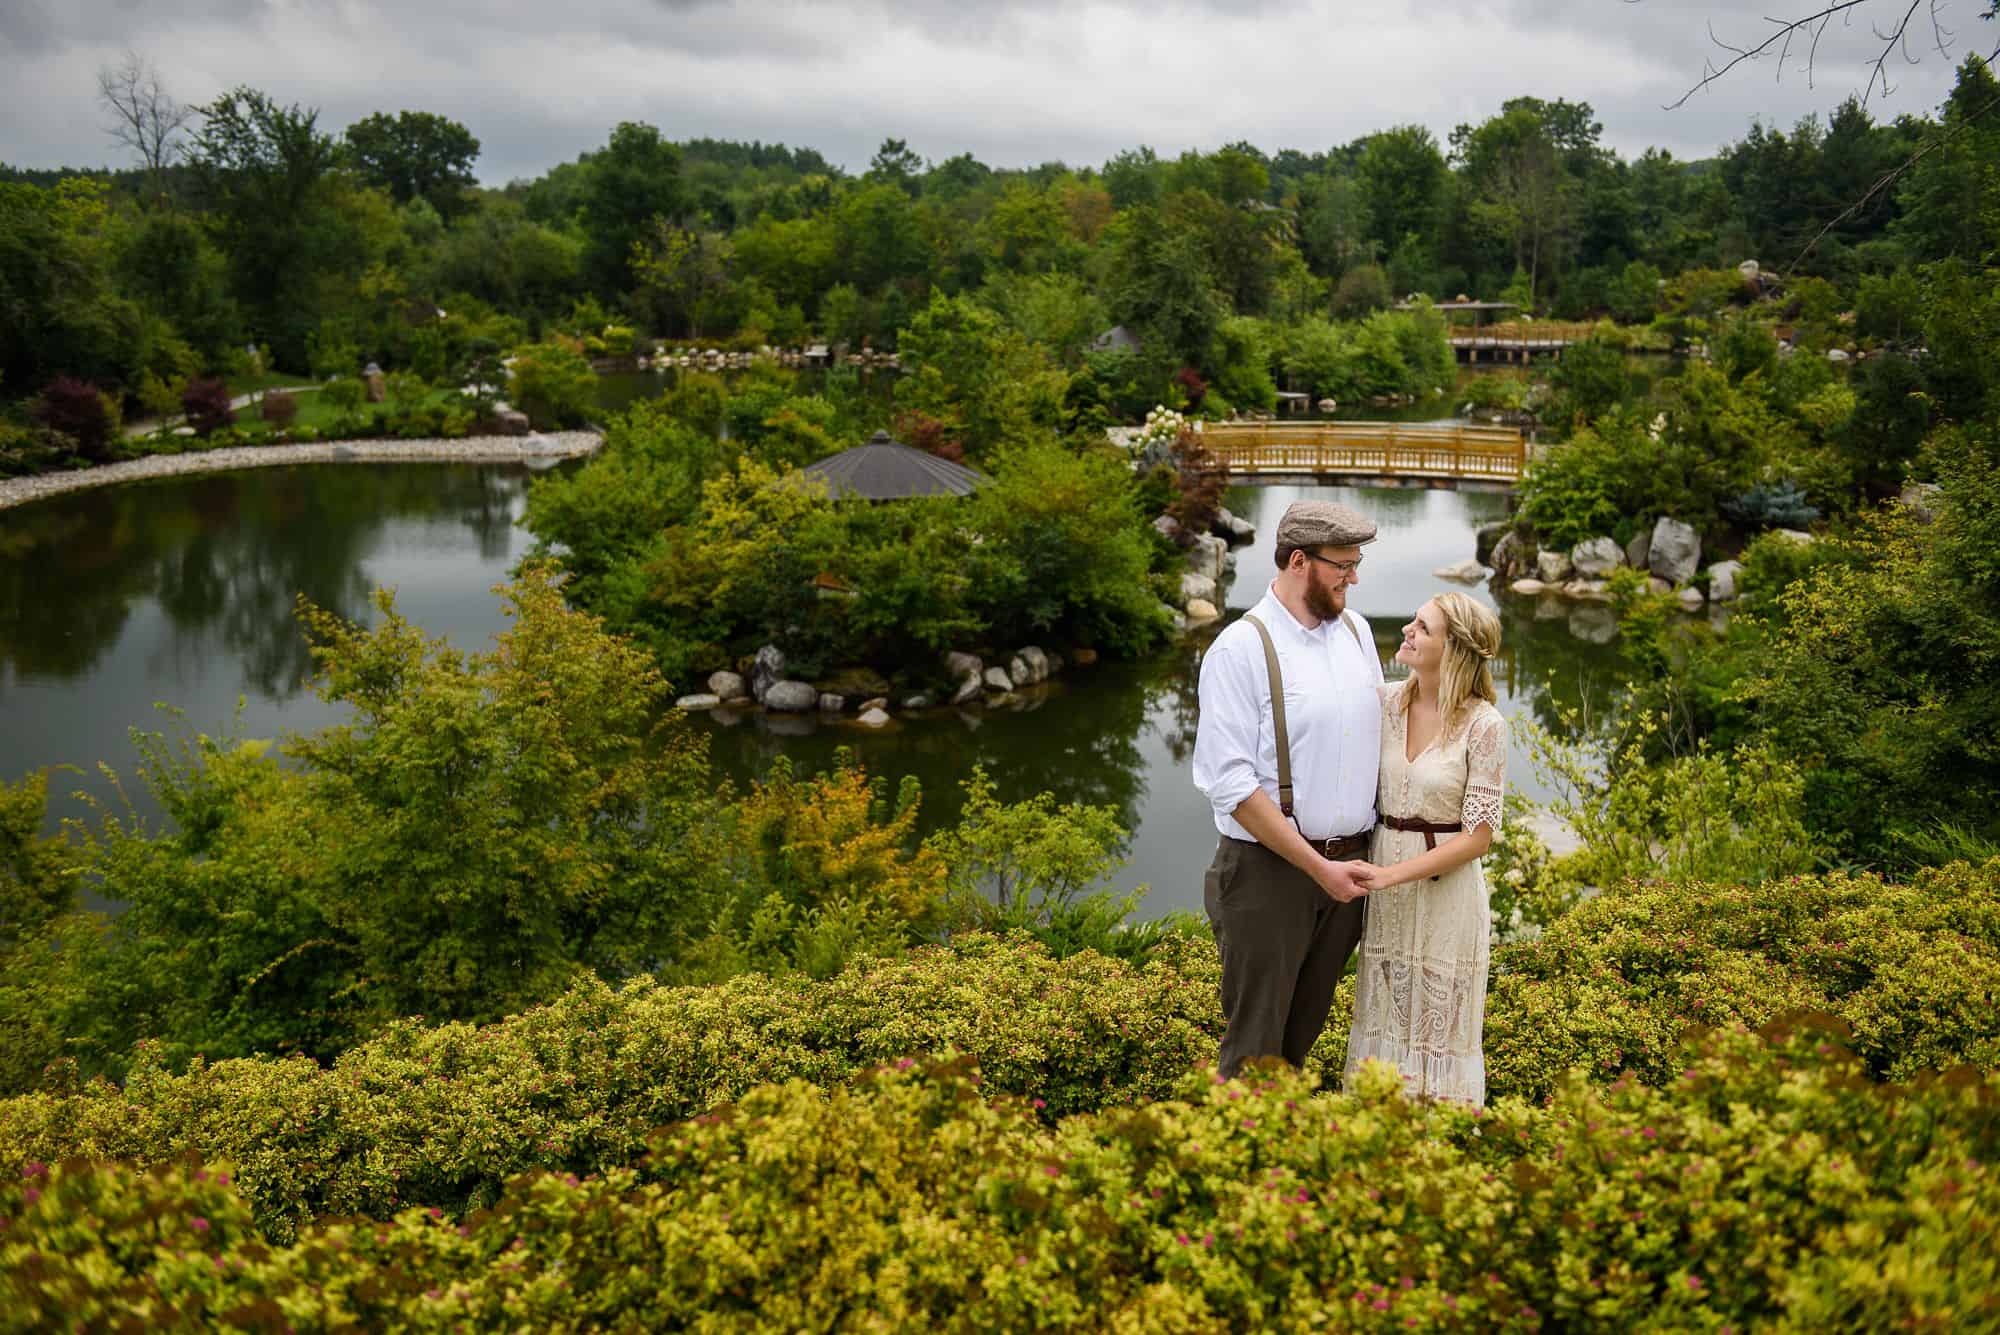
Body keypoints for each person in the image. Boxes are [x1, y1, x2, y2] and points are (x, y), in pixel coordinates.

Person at [1191, 499, 1384, 1079]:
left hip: (1350, 871)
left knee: (1300, 1038)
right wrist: (1314, 866)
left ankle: (1278, 1157)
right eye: (1342, 565)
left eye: (1356, 563)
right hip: (1268, 876)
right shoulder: (1240, 648)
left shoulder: (1357, 631)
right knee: (1253, 1050)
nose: (1354, 577)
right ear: (1298, 561)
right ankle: (1233, 1157)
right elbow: (1229, 784)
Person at [1343, 592, 1507, 1106]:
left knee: (1439, 1024)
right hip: (1385, 881)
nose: (1408, 632)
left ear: (1454, 649)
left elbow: (1478, 837)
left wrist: (1391, 875)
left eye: (1423, 628)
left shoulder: (1485, 726)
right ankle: (1374, 1129)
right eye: (1411, 621)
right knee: (1385, 1010)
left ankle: (1439, 1142)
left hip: (1445, 893)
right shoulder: (1385, 703)